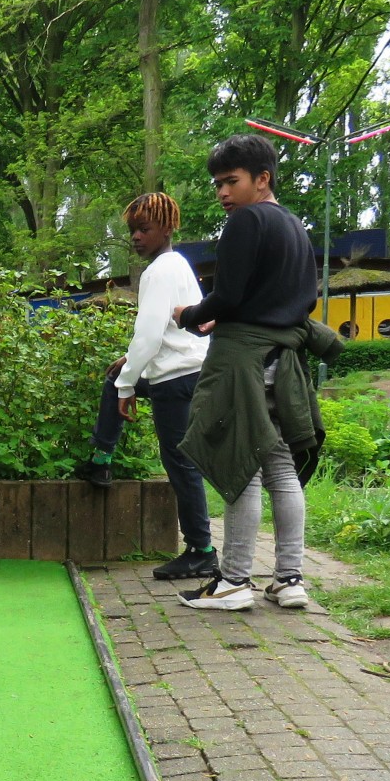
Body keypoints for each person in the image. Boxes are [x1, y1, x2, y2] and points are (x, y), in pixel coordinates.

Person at [173, 134, 340, 613]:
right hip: (284, 364)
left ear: (261, 179)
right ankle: (289, 579)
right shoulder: (294, 225)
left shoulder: (246, 221)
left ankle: (233, 582)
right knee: (281, 468)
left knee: (240, 467)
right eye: (217, 185)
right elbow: (296, 301)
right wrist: (222, 313)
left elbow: (227, 297)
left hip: (245, 364)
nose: (223, 193)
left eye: (231, 181)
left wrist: (190, 314)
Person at [80, 192, 214, 580]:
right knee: (115, 378)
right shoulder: (179, 264)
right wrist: (127, 370)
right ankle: (101, 461)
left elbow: (151, 332)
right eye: (132, 231)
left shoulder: (156, 272)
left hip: (176, 378)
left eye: (144, 229)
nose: (136, 237)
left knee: (180, 461)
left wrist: (128, 385)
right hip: (188, 369)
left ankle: (202, 550)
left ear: (168, 228)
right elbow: (165, 332)